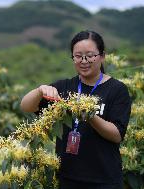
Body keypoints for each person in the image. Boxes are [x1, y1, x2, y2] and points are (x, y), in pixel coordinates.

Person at [20, 30, 131, 189]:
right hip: (67, 178)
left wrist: (89, 115)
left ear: (102, 56)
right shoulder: (64, 87)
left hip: (104, 180)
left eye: (90, 55)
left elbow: (117, 135)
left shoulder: (117, 89)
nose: (84, 60)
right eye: (78, 56)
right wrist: (40, 90)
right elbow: (26, 106)